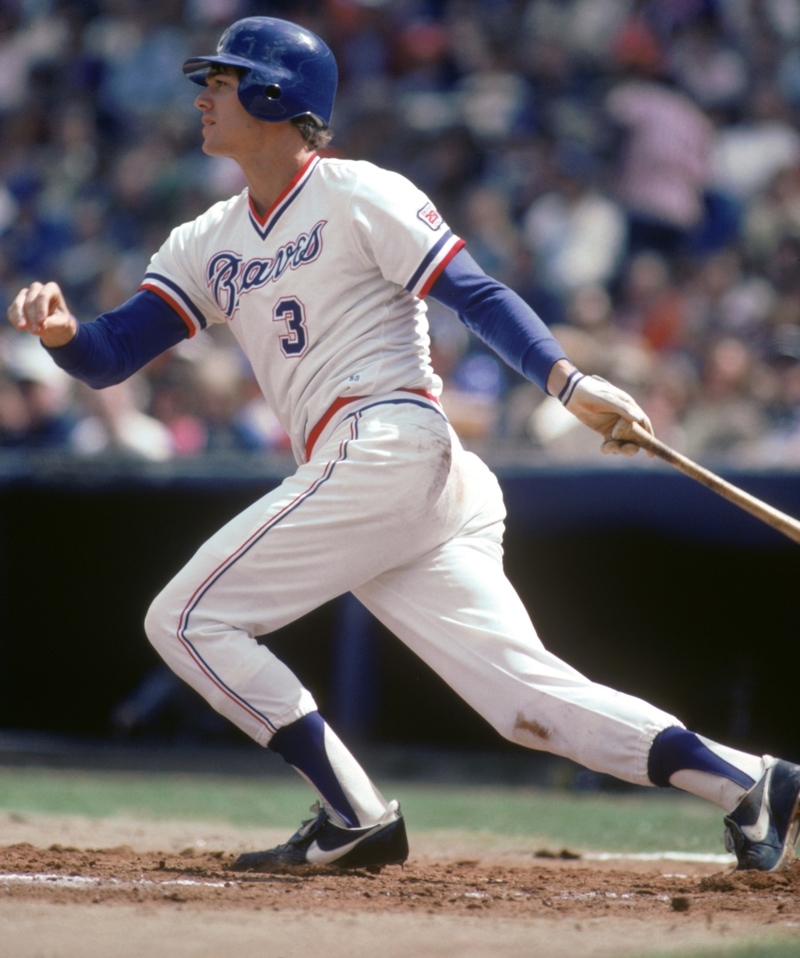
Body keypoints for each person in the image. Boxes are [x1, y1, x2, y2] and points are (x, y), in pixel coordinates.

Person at [8, 17, 799, 874]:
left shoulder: (359, 192)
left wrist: (570, 382)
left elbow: (476, 292)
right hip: (382, 477)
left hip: (389, 444)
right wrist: (62, 335)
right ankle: (747, 784)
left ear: (277, 96)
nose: (204, 95)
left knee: (186, 618)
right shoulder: (206, 240)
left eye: (225, 80)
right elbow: (110, 357)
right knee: (521, 702)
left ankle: (353, 814)